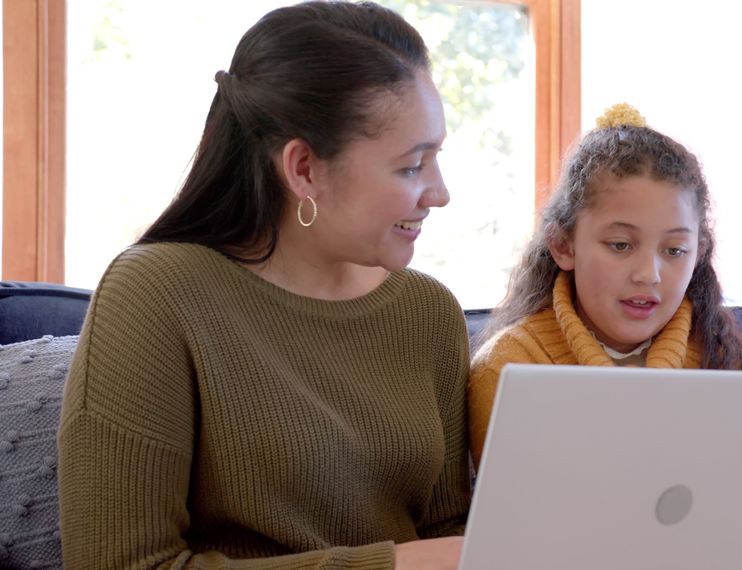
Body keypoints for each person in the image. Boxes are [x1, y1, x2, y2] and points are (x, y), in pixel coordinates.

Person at [57, 2, 470, 568]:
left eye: (436, 158)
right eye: (410, 166)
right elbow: (122, 563)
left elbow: (451, 534)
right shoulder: (155, 295)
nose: (439, 192)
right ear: (303, 168)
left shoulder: (429, 313)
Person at [467, 103, 742, 570]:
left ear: (699, 254)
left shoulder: (722, 357)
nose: (649, 274)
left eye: (674, 250)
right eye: (620, 245)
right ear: (563, 245)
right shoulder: (510, 366)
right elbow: (530, 544)